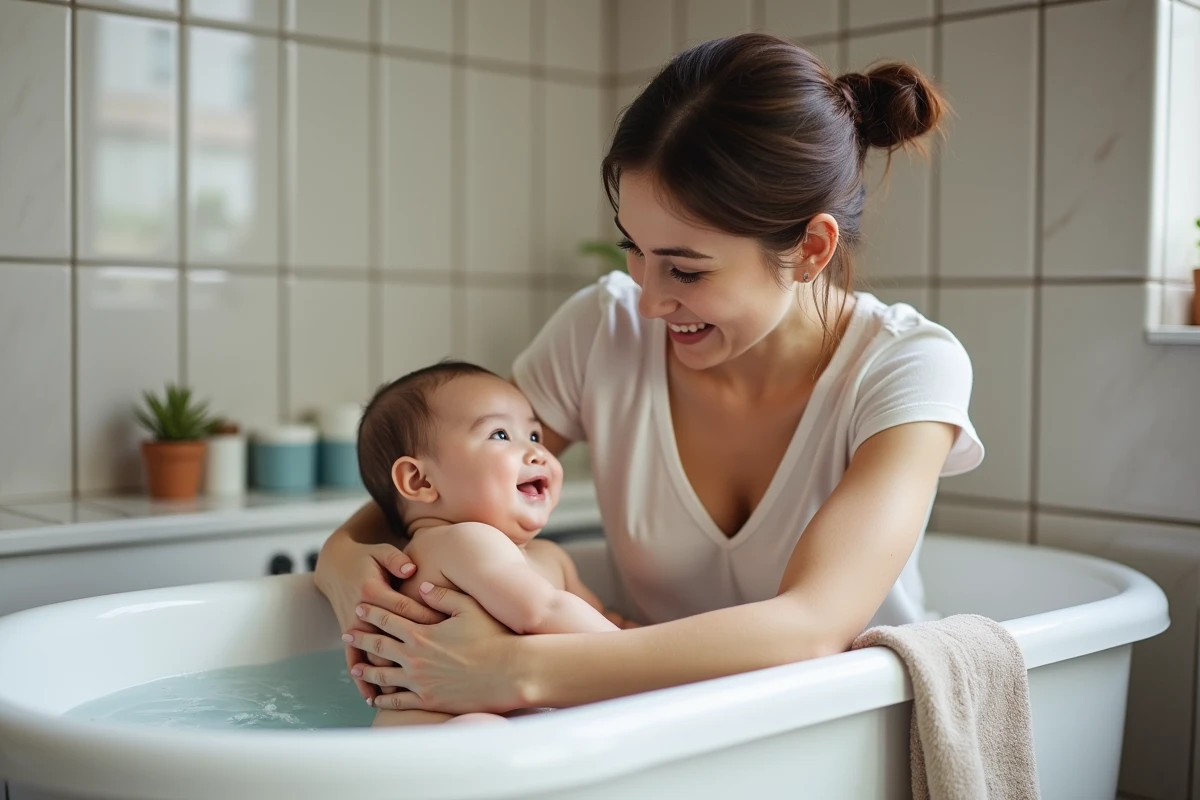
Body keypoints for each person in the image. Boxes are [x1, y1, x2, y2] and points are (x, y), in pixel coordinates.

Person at [315, 32, 984, 716]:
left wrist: (518, 670)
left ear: (810, 249)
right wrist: (340, 566)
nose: (649, 300)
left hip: (839, 731)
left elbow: (812, 627)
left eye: (686, 269)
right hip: (652, 729)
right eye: (634, 250)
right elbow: (434, 480)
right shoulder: (602, 332)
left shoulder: (907, 367)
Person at [351, 361, 627, 725]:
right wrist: (644, 662)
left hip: (508, 731)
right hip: (428, 734)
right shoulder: (459, 541)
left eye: (533, 436)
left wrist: (630, 631)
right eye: (500, 435)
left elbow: (602, 623)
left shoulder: (551, 558)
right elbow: (543, 612)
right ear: (419, 481)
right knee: (479, 729)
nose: (537, 453)